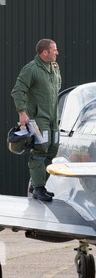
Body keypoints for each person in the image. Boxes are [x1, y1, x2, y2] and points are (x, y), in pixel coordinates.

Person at [11, 39, 61, 201]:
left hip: (53, 118)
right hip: (39, 119)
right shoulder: (31, 69)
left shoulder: (54, 67)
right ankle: (39, 188)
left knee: (52, 150)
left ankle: (37, 183)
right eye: (54, 50)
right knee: (40, 150)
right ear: (44, 52)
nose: (57, 53)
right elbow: (18, 91)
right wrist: (22, 113)